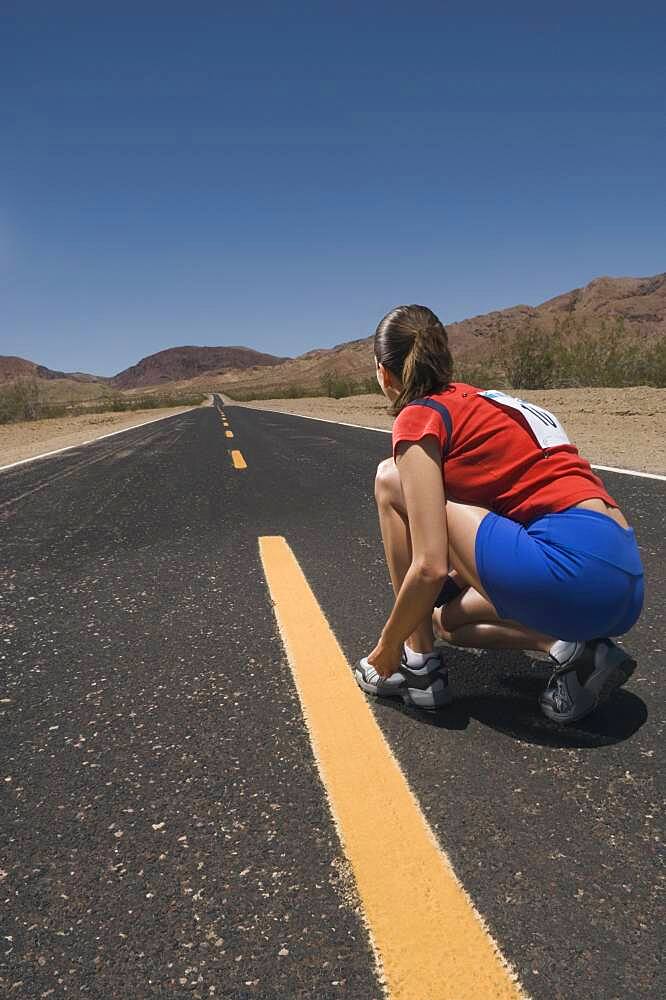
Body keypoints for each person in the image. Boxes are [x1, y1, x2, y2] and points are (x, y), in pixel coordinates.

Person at [355, 304, 644, 724]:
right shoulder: (487, 402)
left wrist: (387, 646)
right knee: (448, 622)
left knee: (390, 478)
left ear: (383, 372)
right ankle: (578, 652)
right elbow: (504, 505)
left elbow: (430, 566)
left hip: (570, 569)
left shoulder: (418, 416)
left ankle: (417, 668)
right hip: (623, 583)